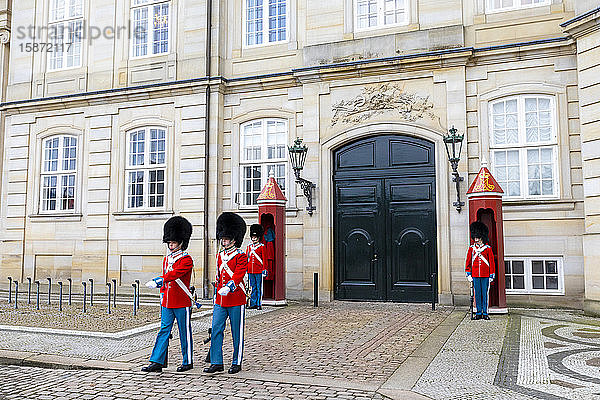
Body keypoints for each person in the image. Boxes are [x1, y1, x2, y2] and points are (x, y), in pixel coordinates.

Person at [142, 216, 195, 373]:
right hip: (167, 301)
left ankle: (188, 360)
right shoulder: (167, 259)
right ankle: (157, 361)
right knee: (164, 330)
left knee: (184, 332)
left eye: (173, 243)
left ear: (181, 242)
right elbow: (168, 279)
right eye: (169, 243)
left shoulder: (186, 259)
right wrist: (162, 293)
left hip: (181, 301)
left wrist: (159, 281)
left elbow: (175, 275)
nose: (171, 245)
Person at [204, 212, 248, 375]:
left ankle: (236, 361)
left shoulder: (241, 256)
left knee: (237, 332)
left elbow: (239, 274)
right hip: (221, 300)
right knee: (216, 328)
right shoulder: (220, 255)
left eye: (226, 239)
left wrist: (230, 286)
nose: (223, 241)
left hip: (236, 298)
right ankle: (217, 361)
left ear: (234, 239)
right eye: (223, 238)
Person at [465, 221, 496, 320]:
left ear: (481, 237)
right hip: (475, 275)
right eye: (475, 238)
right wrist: (468, 274)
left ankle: (485, 313)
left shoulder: (487, 249)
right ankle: (478, 312)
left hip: (485, 275)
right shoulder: (471, 249)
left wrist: (491, 275)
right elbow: (468, 262)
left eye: (477, 238)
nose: (476, 239)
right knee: (477, 294)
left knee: (485, 294)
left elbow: (491, 262)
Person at [246, 224, 266, 309]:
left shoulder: (262, 247)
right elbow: (247, 259)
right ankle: (253, 303)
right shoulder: (249, 247)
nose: (253, 239)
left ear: (258, 238)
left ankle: (259, 303)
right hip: (251, 270)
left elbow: (264, 259)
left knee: (259, 287)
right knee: (253, 287)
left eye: (255, 237)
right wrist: (246, 270)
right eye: (253, 237)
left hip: (259, 270)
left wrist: (264, 269)